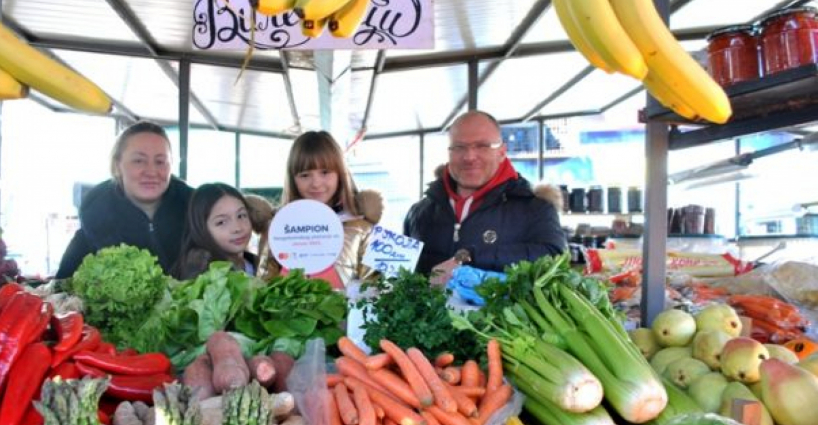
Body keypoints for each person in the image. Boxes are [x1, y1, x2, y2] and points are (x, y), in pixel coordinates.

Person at [403, 110, 566, 284]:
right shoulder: (419, 212)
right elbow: (401, 272)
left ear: (502, 152)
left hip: (497, 311)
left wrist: (470, 257)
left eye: (482, 146)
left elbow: (555, 257)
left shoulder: (535, 208)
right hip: (428, 311)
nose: (469, 157)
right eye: (459, 147)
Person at [56, 121, 193, 279]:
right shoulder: (94, 220)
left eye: (160, 161)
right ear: (117, 165)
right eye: (138, 161)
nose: (151, 171)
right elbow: (60, 287)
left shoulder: (200, 213)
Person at [257, 130, 383, 287]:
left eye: (325, 172)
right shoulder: (277, 229)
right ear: (293, 179)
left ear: (340, 174)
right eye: (305, 175)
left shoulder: (363, 228)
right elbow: (263, 287)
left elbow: (381, 288)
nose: (316, 183)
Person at [173, 182, 273, 280]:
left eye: (241, 216)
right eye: (221, 222)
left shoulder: (258, 263)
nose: (237, 228)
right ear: (201, 228)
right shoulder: (200, 274)